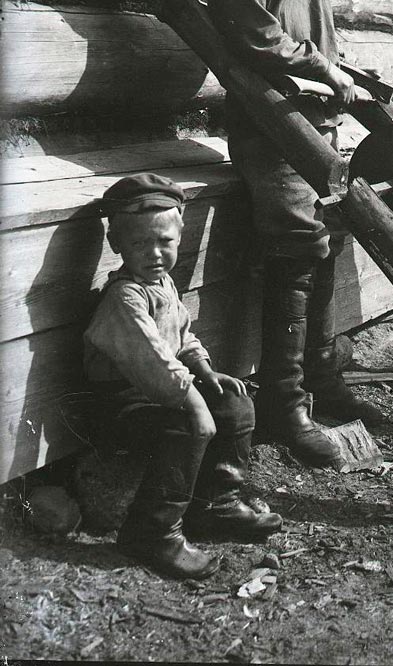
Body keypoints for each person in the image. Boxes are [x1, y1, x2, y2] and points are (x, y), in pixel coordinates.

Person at [206, 0, 383, 469]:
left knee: (329, 237)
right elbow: (251, 35)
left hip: (314, 124)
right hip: (270, 124)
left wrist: (346, 76)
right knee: (296, 247)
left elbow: (311, 38)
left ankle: (323, 380)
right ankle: (286, 408)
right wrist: (321, 69)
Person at [84, 173, 282, 581]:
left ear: (180, 238)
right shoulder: (125, 297)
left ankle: (215, 504)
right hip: (121, 402)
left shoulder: (163, 284)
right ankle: (152, 533)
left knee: (235, 403)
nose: (154, 253)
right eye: (139, 243)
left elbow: (181, 335)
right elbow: (152, 358)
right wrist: (192, 402)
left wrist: (206, 372)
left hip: (162, 388)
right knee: (186, 426)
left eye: (165, 242)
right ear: (116, 244)